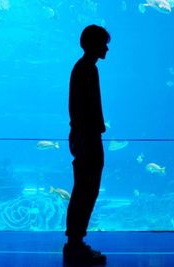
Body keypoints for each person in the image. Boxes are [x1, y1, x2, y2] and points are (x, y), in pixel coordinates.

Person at [63, 25, 110, 265]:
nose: (107, 48)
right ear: (93, 44)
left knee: (85, 189)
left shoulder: (86, 68)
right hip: (87, 137)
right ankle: (75, 243)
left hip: (86, 136)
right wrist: (87, 137)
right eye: (103, 43)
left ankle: (76, 241)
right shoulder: (86, 70)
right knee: (85, 189)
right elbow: (83, 109)